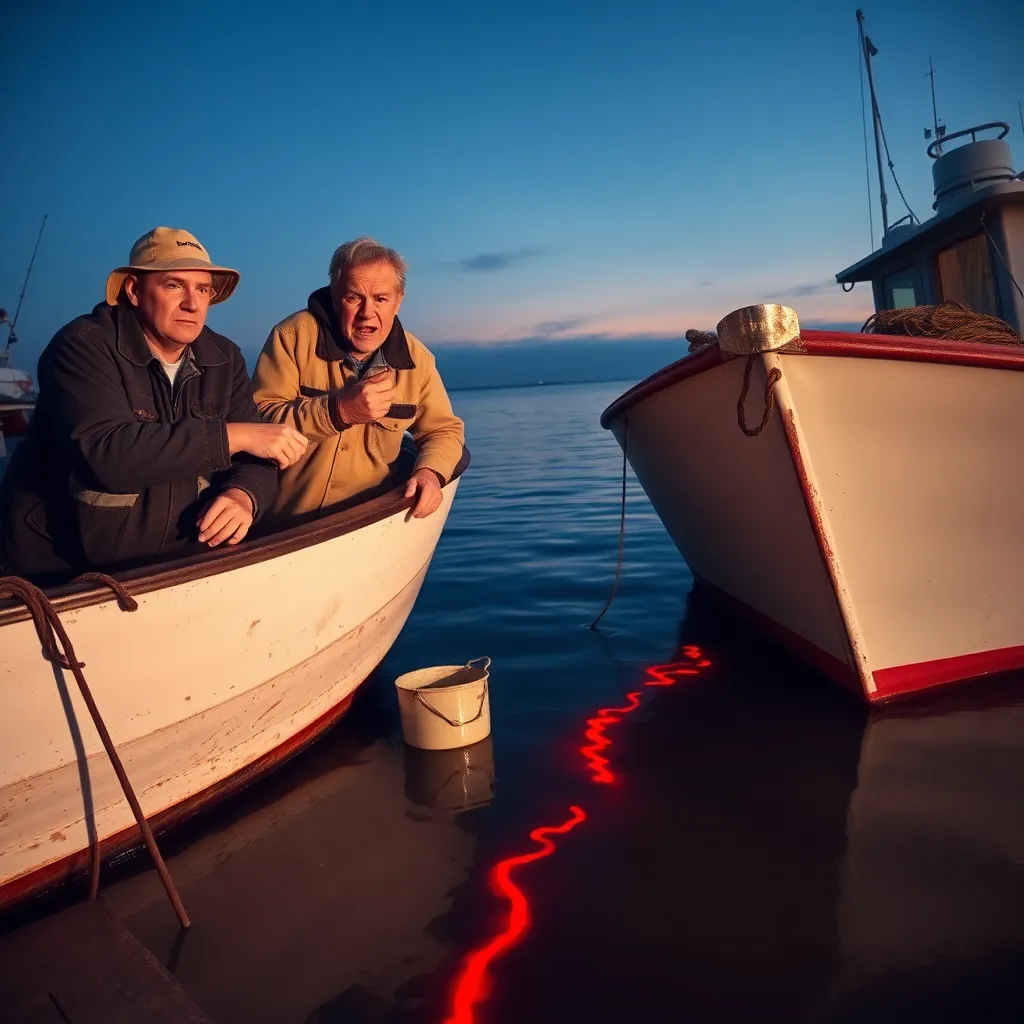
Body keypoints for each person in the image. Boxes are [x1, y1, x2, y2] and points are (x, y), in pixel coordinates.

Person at [0, 227, 308, 582]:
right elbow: (107, 455)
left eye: (203, 289)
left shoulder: (225, 358)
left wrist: (244, 496)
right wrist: (231, 436)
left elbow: (257, 460)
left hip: (173, 569)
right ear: (133, 290)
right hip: (60, 575)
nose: (193, 303)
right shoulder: (82, 346)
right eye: (174, 285)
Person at [252, 237, 464, 520]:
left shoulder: (419, 361)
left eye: (381, 299)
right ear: (334, 294)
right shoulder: (291, 337)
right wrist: (339, 411)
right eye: (354, 298)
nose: (367, 312)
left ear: (398, 301)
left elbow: (443, 431)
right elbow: (258, 422)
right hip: (283, 525)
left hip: (368, 525)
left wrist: (430, 472)